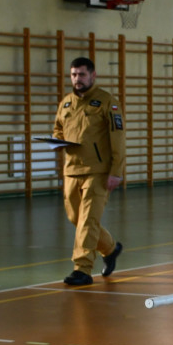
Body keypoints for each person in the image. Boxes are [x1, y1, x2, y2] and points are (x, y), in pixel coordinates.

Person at [53, 57, 125, 286]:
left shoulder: (107, 102)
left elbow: (118, 138)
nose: (77, 79)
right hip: (72, 170)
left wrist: (116, 171)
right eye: (74, 74)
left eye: (82, 75)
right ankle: (110, 249)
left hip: (99, 172)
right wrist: (57, 140)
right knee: (77, 218)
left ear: (93, 76)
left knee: (87, 221)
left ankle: (82, 268)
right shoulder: (66, 103)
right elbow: (58, 129)